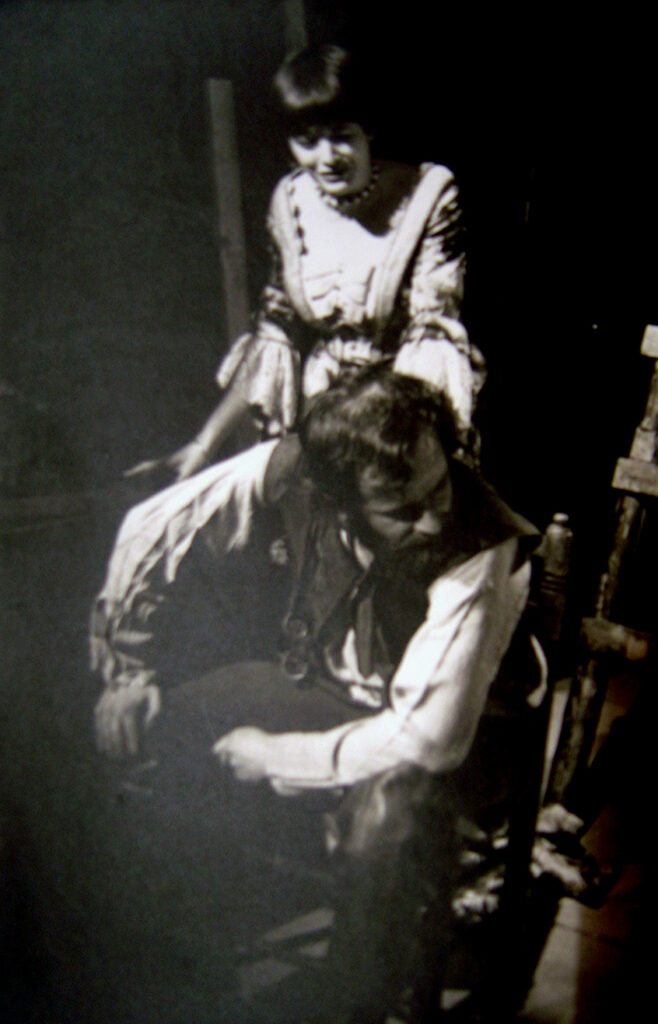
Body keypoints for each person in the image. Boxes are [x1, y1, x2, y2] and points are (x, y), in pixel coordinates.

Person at [91, 368, 544, 1023]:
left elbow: (430, 738)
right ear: (339, 501)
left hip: (474, 731)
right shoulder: (297, 467)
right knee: (160, 727)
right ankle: (196, 976)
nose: (435, 517)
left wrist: (274, 756)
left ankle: (356, 1003)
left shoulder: (477, 542)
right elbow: (154, 526)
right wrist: (128, 670)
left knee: (386, 812)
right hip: (340, 692)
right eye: (401, 509)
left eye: (440, 485)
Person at [155, 44, 485, 481]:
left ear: (368, 129)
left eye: (342, 136)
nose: (326, 158)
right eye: (307, 142)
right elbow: (276, 335)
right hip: (322, 417)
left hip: (404, 422)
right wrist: (204, 445)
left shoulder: (428, 196)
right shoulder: (290, 202)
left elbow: (432, 336)